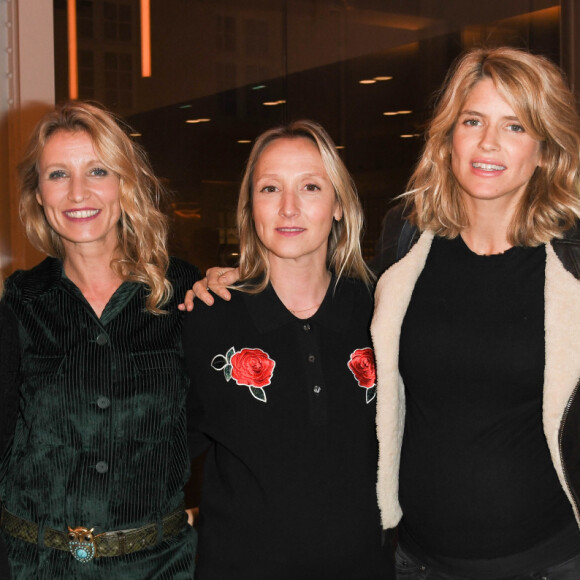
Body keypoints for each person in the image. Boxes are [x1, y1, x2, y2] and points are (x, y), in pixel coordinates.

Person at [371, 46, 580, 578]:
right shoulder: (405, 240)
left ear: (544, 148)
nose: (488, 142)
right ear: (448, 138)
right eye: (473, 120)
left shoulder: (574, 260)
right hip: (416, 562)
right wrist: (241, 279)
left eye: (515, 126)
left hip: (549, 563)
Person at [182, 120, 394, 579]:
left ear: (338, 206)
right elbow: (164, 450)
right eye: (270, 188)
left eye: (311, 187)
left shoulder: (382, 310)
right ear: (250, 208)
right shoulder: (208, 318)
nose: (289, 208)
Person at [0, 101, 200, 578]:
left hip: (161, 565)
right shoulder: (17, 304)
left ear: (125, 184)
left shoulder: (187, 295)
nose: (77, 193)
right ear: (39, 194)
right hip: (35, 566)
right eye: (57, 175)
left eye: (97, 170)